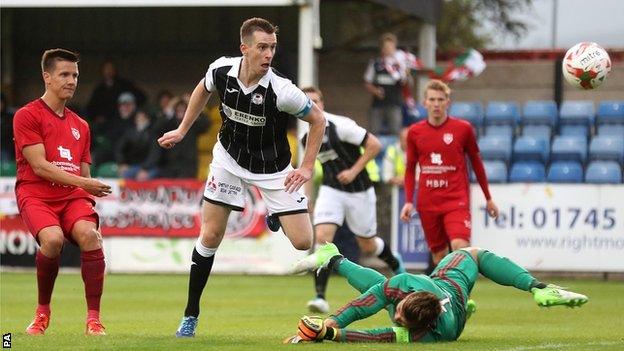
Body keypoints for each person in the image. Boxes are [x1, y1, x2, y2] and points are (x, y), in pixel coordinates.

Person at [157, 18, 325, 337]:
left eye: (272, 48)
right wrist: (182, 129)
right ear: (244, 48)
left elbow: (318, 121)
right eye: (262, 47)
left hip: (273, 169)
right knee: (210, 236)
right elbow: (202, 89)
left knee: (303, 241)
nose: (268, 54)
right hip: (229, 161)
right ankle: (190, 314)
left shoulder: (282, 90)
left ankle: (274, 212)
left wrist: (305, 167)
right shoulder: (221, 70)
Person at [286, 242, 588, 343]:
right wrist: (329, 327)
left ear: (419, 325)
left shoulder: (425, 334)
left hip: (451, 314)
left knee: (378, 287)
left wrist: (328, 335)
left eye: (399, 318)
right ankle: (538, 287)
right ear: (406, 298)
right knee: (473, 253)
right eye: (398, 311)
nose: (395, 318)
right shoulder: (403, 285)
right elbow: (361, 307)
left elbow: (378, 335)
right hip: (451, 285)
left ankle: (334, 258)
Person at [12, 48, 112, 336]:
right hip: (37, 193)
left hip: (71, 196)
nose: (72, 80)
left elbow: (84, 175)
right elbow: (40, 167)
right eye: (65, 74)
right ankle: (42, 312)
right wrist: (85, 184)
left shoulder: (81, 125)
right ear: (47, 77)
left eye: (76, 75)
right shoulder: (26, 115)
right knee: (53, 240)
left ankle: (94, 320)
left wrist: (89, 191)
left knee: (90, 236)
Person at [296, 87, 405, 314]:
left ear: (322, 103)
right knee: (323, 239)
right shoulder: (306, 137)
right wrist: (307, 197)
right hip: (331, 190)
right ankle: (319, 297)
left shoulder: (341, 125)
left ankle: (396, 263)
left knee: (367, 244)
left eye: (316, 101)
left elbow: (375, 144)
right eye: (307, 102)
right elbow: (307, 169)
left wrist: (354, 171)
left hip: (359, 190)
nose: (312, 106)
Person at [400, 80, 499, 265]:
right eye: (432, 99)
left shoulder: (463, 129)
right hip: (427, 202)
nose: (436, 104)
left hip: (456, 200)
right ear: (425, 103)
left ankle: (464, 294)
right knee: (439, 257)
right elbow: (410, 168)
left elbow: (477, 164)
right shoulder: (414, 132)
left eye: (440, 99)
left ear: (448, 102)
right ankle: (450, 294)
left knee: (461, 247)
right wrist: (407, 201)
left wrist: (488, 197)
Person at [364, 33, 408, 136]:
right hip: (377, 105)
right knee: (373, 133)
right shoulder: (375, 63)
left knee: (396, 133)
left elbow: (404, 83)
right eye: (386, 47)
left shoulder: (399, 65)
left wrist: (405, 72)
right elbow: (367, 83)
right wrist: (375, 91)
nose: (389, 49)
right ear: (382, 48)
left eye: (391, 47)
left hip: (394, 104)